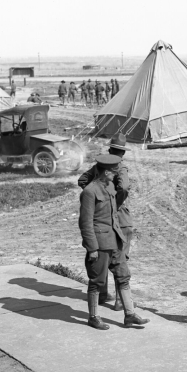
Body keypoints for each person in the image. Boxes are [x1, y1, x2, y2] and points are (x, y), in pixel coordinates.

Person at [79, 154, 149, 330]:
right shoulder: (89, 191)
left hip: (115, 240)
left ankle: (130, 314)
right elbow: (85, 223)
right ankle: (93, 317)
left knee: (123, 276)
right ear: (104, 172)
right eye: (113, 171)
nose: (116, 175)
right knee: (97, 281)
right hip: (100, 244)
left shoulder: (110, 186)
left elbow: (113, 215)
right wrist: (92, 248)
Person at [78, 133, 134, 310]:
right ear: (122, 154)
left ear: (110, 149)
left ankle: (104, 295)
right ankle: (118, 301)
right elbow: (124, 187)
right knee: (118, 260)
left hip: (106, 220)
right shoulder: (119, 168)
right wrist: (114, 202)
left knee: (106, 261)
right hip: (119, 220)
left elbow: (82, 180)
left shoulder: (99, 166)